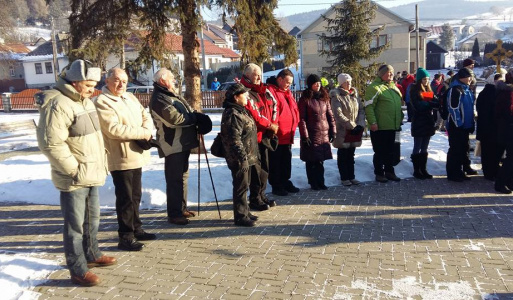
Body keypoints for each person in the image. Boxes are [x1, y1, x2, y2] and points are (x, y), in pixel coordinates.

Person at [35, 59, 116, 287]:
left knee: (92, 220)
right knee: (74, 227)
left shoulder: (85, 102)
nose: (93, 90)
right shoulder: (58, 104)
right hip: (74, 177)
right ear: (75, 82)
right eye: (89, 85)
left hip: (91, 172)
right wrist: (73, 170)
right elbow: (51, 144)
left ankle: (92, 255)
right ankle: (77, 269)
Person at [95, 68, 156, 252]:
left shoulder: (130, 97)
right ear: (107, 81)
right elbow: (113, 129)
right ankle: (125, 236)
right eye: (116, 80)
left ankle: (136, 228)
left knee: (135, 196)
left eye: (124, 80)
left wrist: (145, 128)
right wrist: (143, 132)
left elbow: (146, 116)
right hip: (120, 157)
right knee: (125, 199)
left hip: (136, 154)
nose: (121, 84)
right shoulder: (102, 102)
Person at [149, 68, 212, 225]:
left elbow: (188, 111)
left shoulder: (171, 95)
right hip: (172, 144)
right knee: (174, 179)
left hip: (182, 143)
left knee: (182, 177)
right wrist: (195, 118)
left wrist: (197, 117)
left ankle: (181, 208)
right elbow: (174, 118)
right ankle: (174, 213)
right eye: (172, 79)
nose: (174, 82)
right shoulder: (159, 98)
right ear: (163, 80)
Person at [220, 83, 260, 226]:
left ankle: (246, 211)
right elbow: (234, 139)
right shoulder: (233, 113)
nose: (248, 97)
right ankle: (240, 216)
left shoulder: (241, 110)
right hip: (238, 157)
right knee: (240, 186)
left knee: (245, 185)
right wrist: (242, 158)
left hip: (246, 156)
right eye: (245, 94)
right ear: (236, 97)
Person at [241, 63, 278, 209]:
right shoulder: (245, 91)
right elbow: (254, 113)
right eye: (256, 75)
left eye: (260, 75)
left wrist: (273, 125)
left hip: (266, 135)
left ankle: (262, 194)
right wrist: (269, 125)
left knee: (265, 168)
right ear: (248, 75)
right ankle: (255, 197)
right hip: (253, 136)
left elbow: (274, 106)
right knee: (255, 170)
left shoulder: (265, 90)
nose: (259, 78)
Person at [364, 64, 403, 183]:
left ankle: (389, 172)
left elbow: (398, 105)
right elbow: (369, 107)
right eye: (388, 72)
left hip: (393, 125)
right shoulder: (374, 88)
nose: (391, 74)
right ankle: (379, 173)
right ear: (382, 74)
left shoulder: (393, 87)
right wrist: (373, 122)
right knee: (380, 151)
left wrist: (400, 118)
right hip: (380, 126)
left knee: (391, 151)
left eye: (392, 72)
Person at [298, 74, 336, 190]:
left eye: (319, 83)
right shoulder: (305, 99)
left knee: (320, 160)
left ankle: (321, 181)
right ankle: (313, 182)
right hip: (311, 133)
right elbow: (302, 118)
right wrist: (305, 136)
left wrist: (333, 131)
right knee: (311, 160)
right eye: (315, 83)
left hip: (323, 132)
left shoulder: (324, 98)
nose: (318, 85)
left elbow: (330, 115)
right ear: (310, 85)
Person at [267, 69, 300, 196]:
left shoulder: (287, 92)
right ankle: (276, 184)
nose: (289, 85)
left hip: (288, 133)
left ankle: (285, 181)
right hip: (277, 134)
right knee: (276, 161)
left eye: (290, 83)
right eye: (287, 82)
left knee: (286, 160)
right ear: (279, 79)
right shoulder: (271, 91)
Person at [330, 73, 365, 186]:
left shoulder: (354, 96)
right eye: (346, 82)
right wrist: (351, 125)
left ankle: (352, 176)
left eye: (350, 81)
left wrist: (359, 124)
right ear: (341, 83)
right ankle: (344, 177)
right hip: (343, 131)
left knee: (351, 155)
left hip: (354, 130)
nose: (349, 84)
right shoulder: (337, 96)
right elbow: (338, 114)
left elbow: (361, 111)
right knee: (343, 155)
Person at [445, 67, 476, 182]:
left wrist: (471, 123)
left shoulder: (467, 89)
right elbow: (453, 108)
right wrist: (458, 123)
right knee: (455, 150)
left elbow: (470, 109)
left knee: (463, 149)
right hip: (456, 126)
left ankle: (460, 171)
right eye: (469, 76)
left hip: (465, 126)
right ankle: (453, 173)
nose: (471, 79)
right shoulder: (455, 90)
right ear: (462, 77)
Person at [409, 67, 439, 179]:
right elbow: (418, 106)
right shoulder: (415, 90)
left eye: (427, 79)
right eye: (424, 79)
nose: (426, 81)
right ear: (419, 80)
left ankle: (423, 169)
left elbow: (435, 101)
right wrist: (430, 104)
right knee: (418, 146)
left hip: (427, 122)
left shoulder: (428, 91)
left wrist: (430, 103)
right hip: (419, 122)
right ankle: (417, 170)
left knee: (425, 147)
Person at [476, 73, 504, 181]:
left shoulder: (485, 92)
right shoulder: (492, 93)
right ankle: (490, 172)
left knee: (489, 151)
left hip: (486, 128)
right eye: (499, 80)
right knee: (491, 152)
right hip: (491, 128)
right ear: (494, 81)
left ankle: (490, 172)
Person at [493, 69, 513, 194]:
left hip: (508, 127)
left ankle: (509, 181)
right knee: (511, 158)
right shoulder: (506, 92)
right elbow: (503, 112)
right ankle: (500, 183)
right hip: (509, 128)